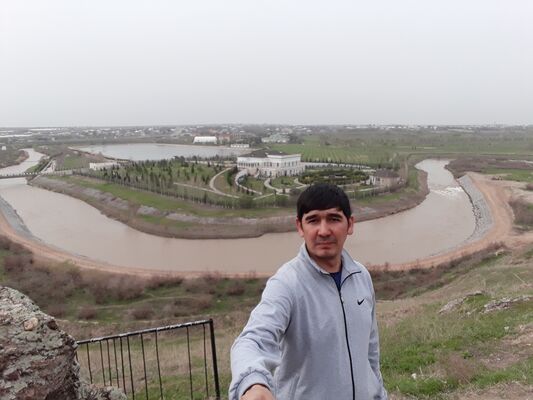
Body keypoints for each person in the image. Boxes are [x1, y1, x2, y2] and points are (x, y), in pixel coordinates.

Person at [229, 183, 388, 400]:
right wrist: (253, 383)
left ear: (350, 224)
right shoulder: (286, 284)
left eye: (334, 219)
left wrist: (378, 393)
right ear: (300, 227)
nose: (323, 231)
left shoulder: (361, 276)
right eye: (313, 220)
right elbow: (253, 340)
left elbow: (370, 351)